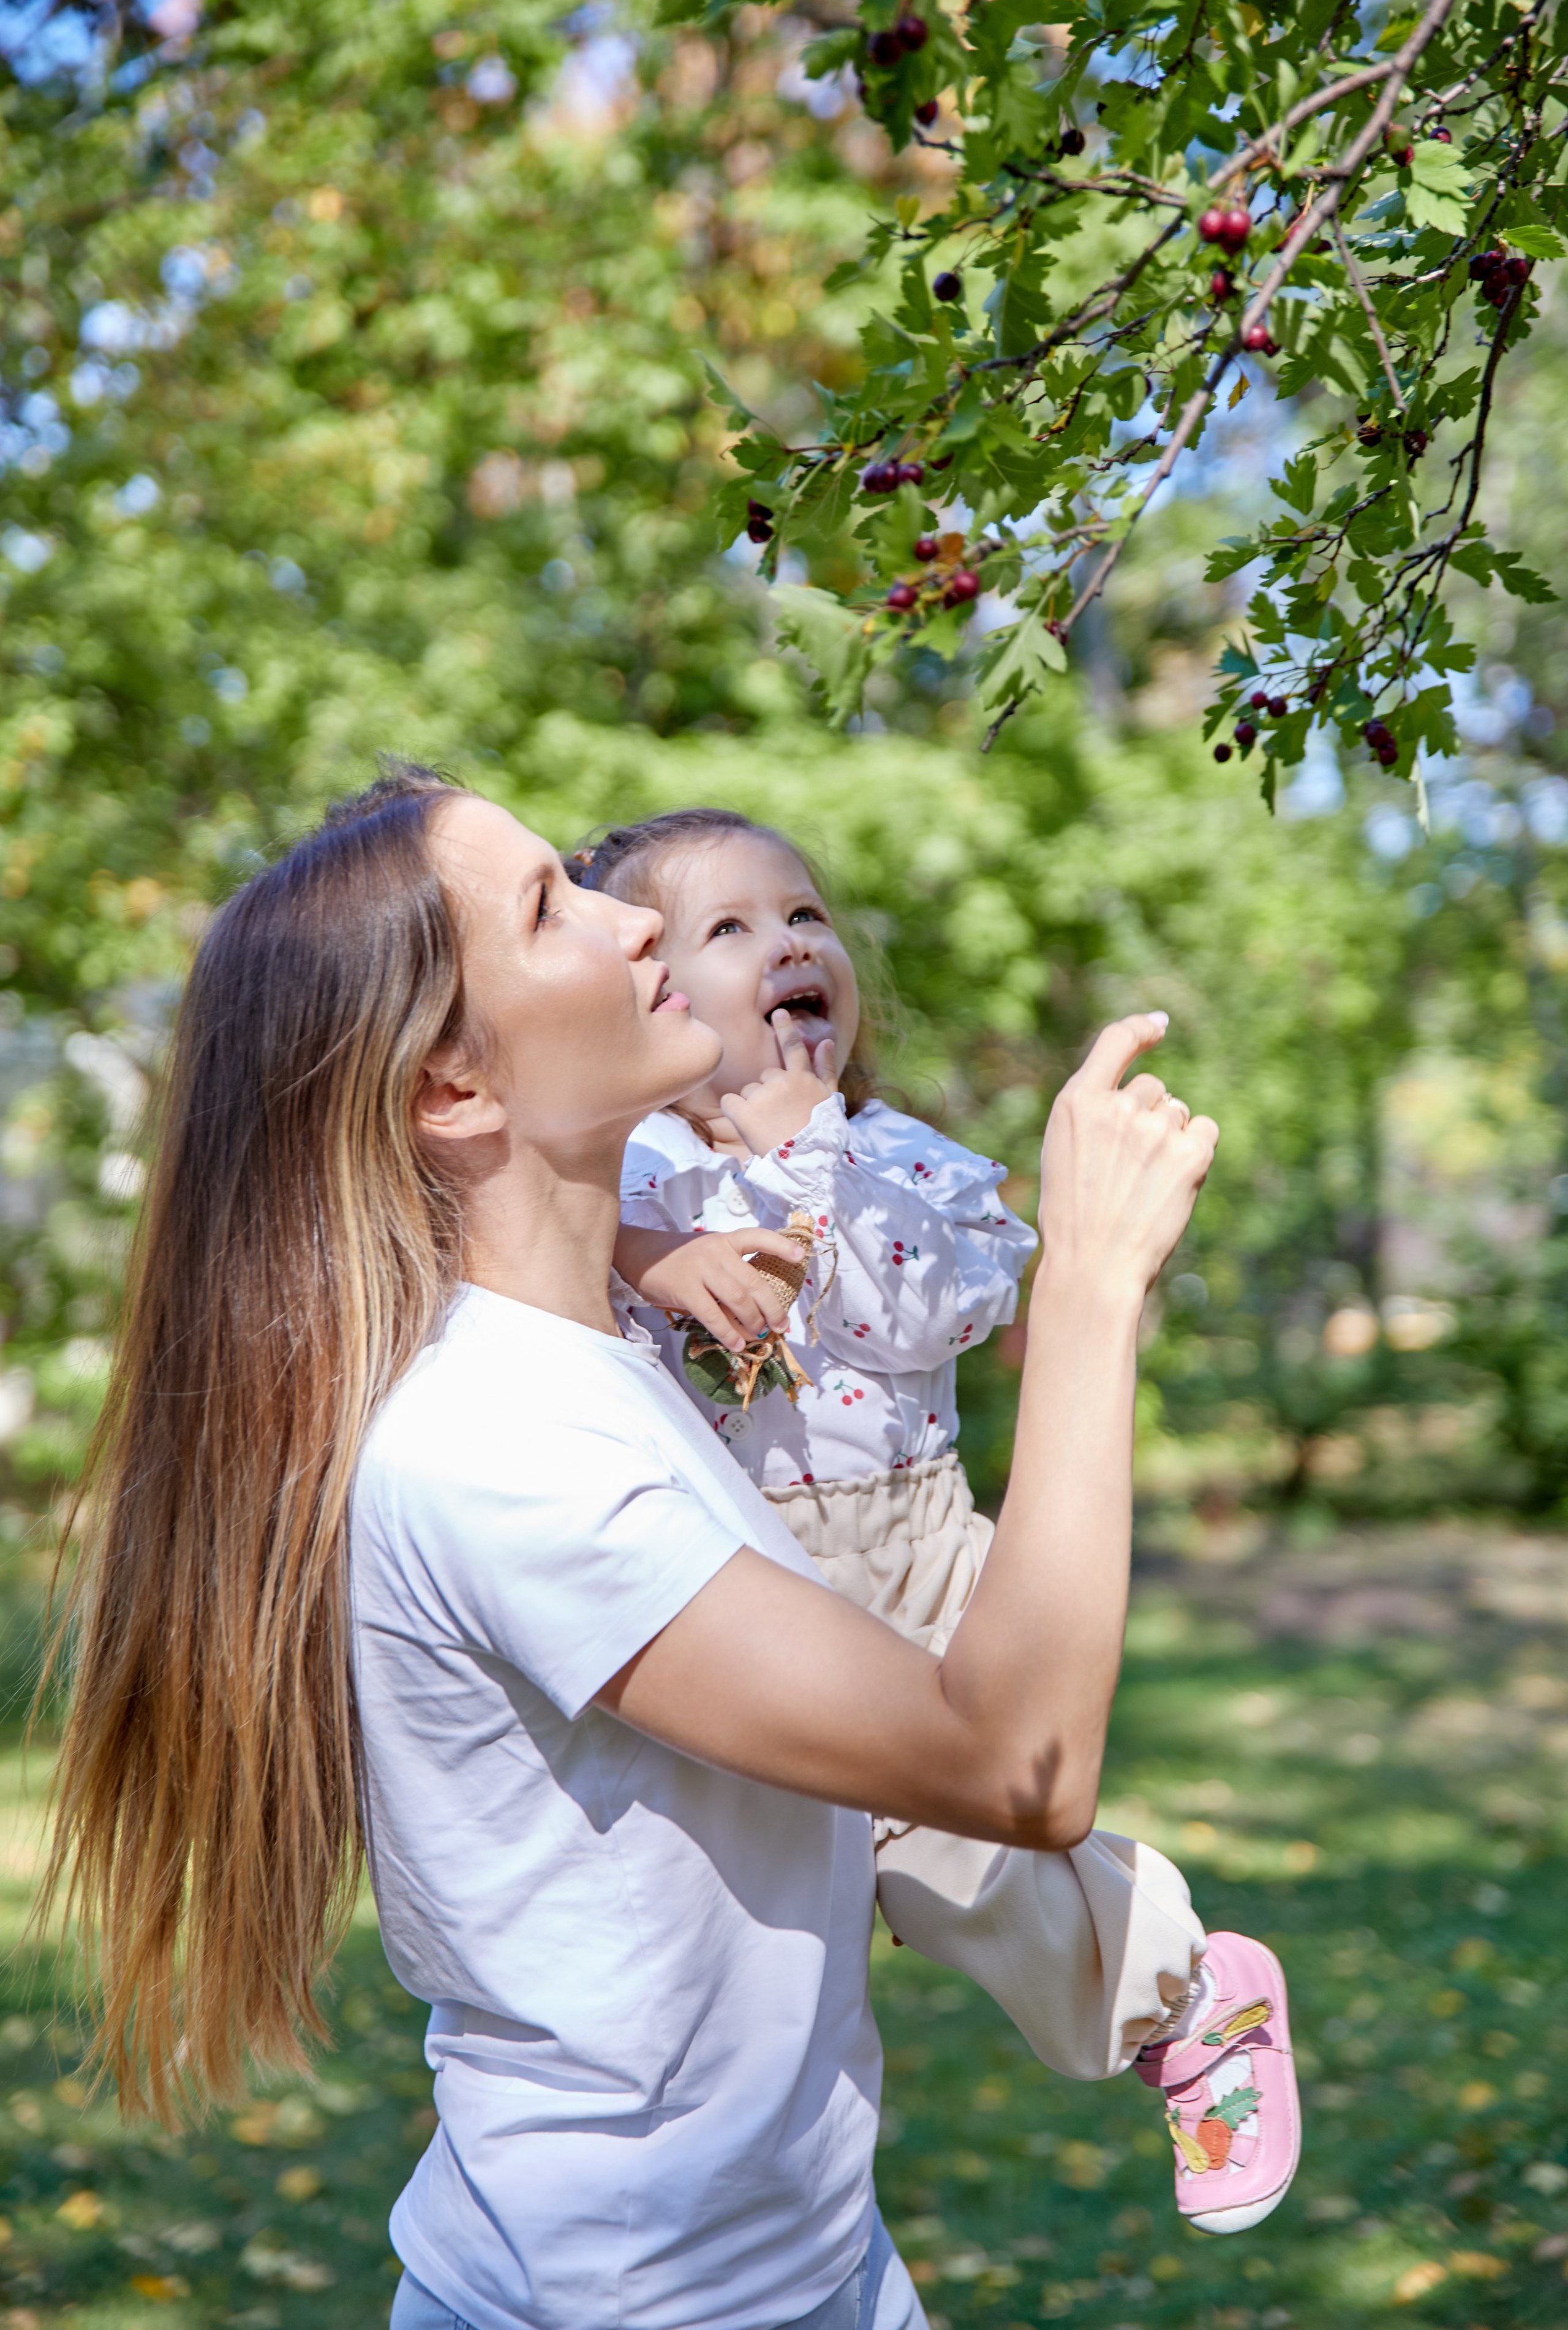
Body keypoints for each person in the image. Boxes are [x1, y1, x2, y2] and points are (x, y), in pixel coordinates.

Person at [41, 766, 1221, 2330]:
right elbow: (1011, 1765)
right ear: (453, 1092)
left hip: (805, 2269)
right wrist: (1089, 1287)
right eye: (550, 905)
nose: (625, 916)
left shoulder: (595, 1364)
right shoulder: (504, 1452)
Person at [570, 809, 1301, 2233]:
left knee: (945, 1856)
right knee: (749, 1898)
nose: (787, 943)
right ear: (644, 991)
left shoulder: (896, 1154)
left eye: (804, 917)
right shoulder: (626, 1171)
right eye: (726, 931)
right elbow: (529, 1247)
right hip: (738, 1569)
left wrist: (808, 1161)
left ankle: (1183, 1997)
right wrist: (652, 1250)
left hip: (903, 1555)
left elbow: (938, 1312)